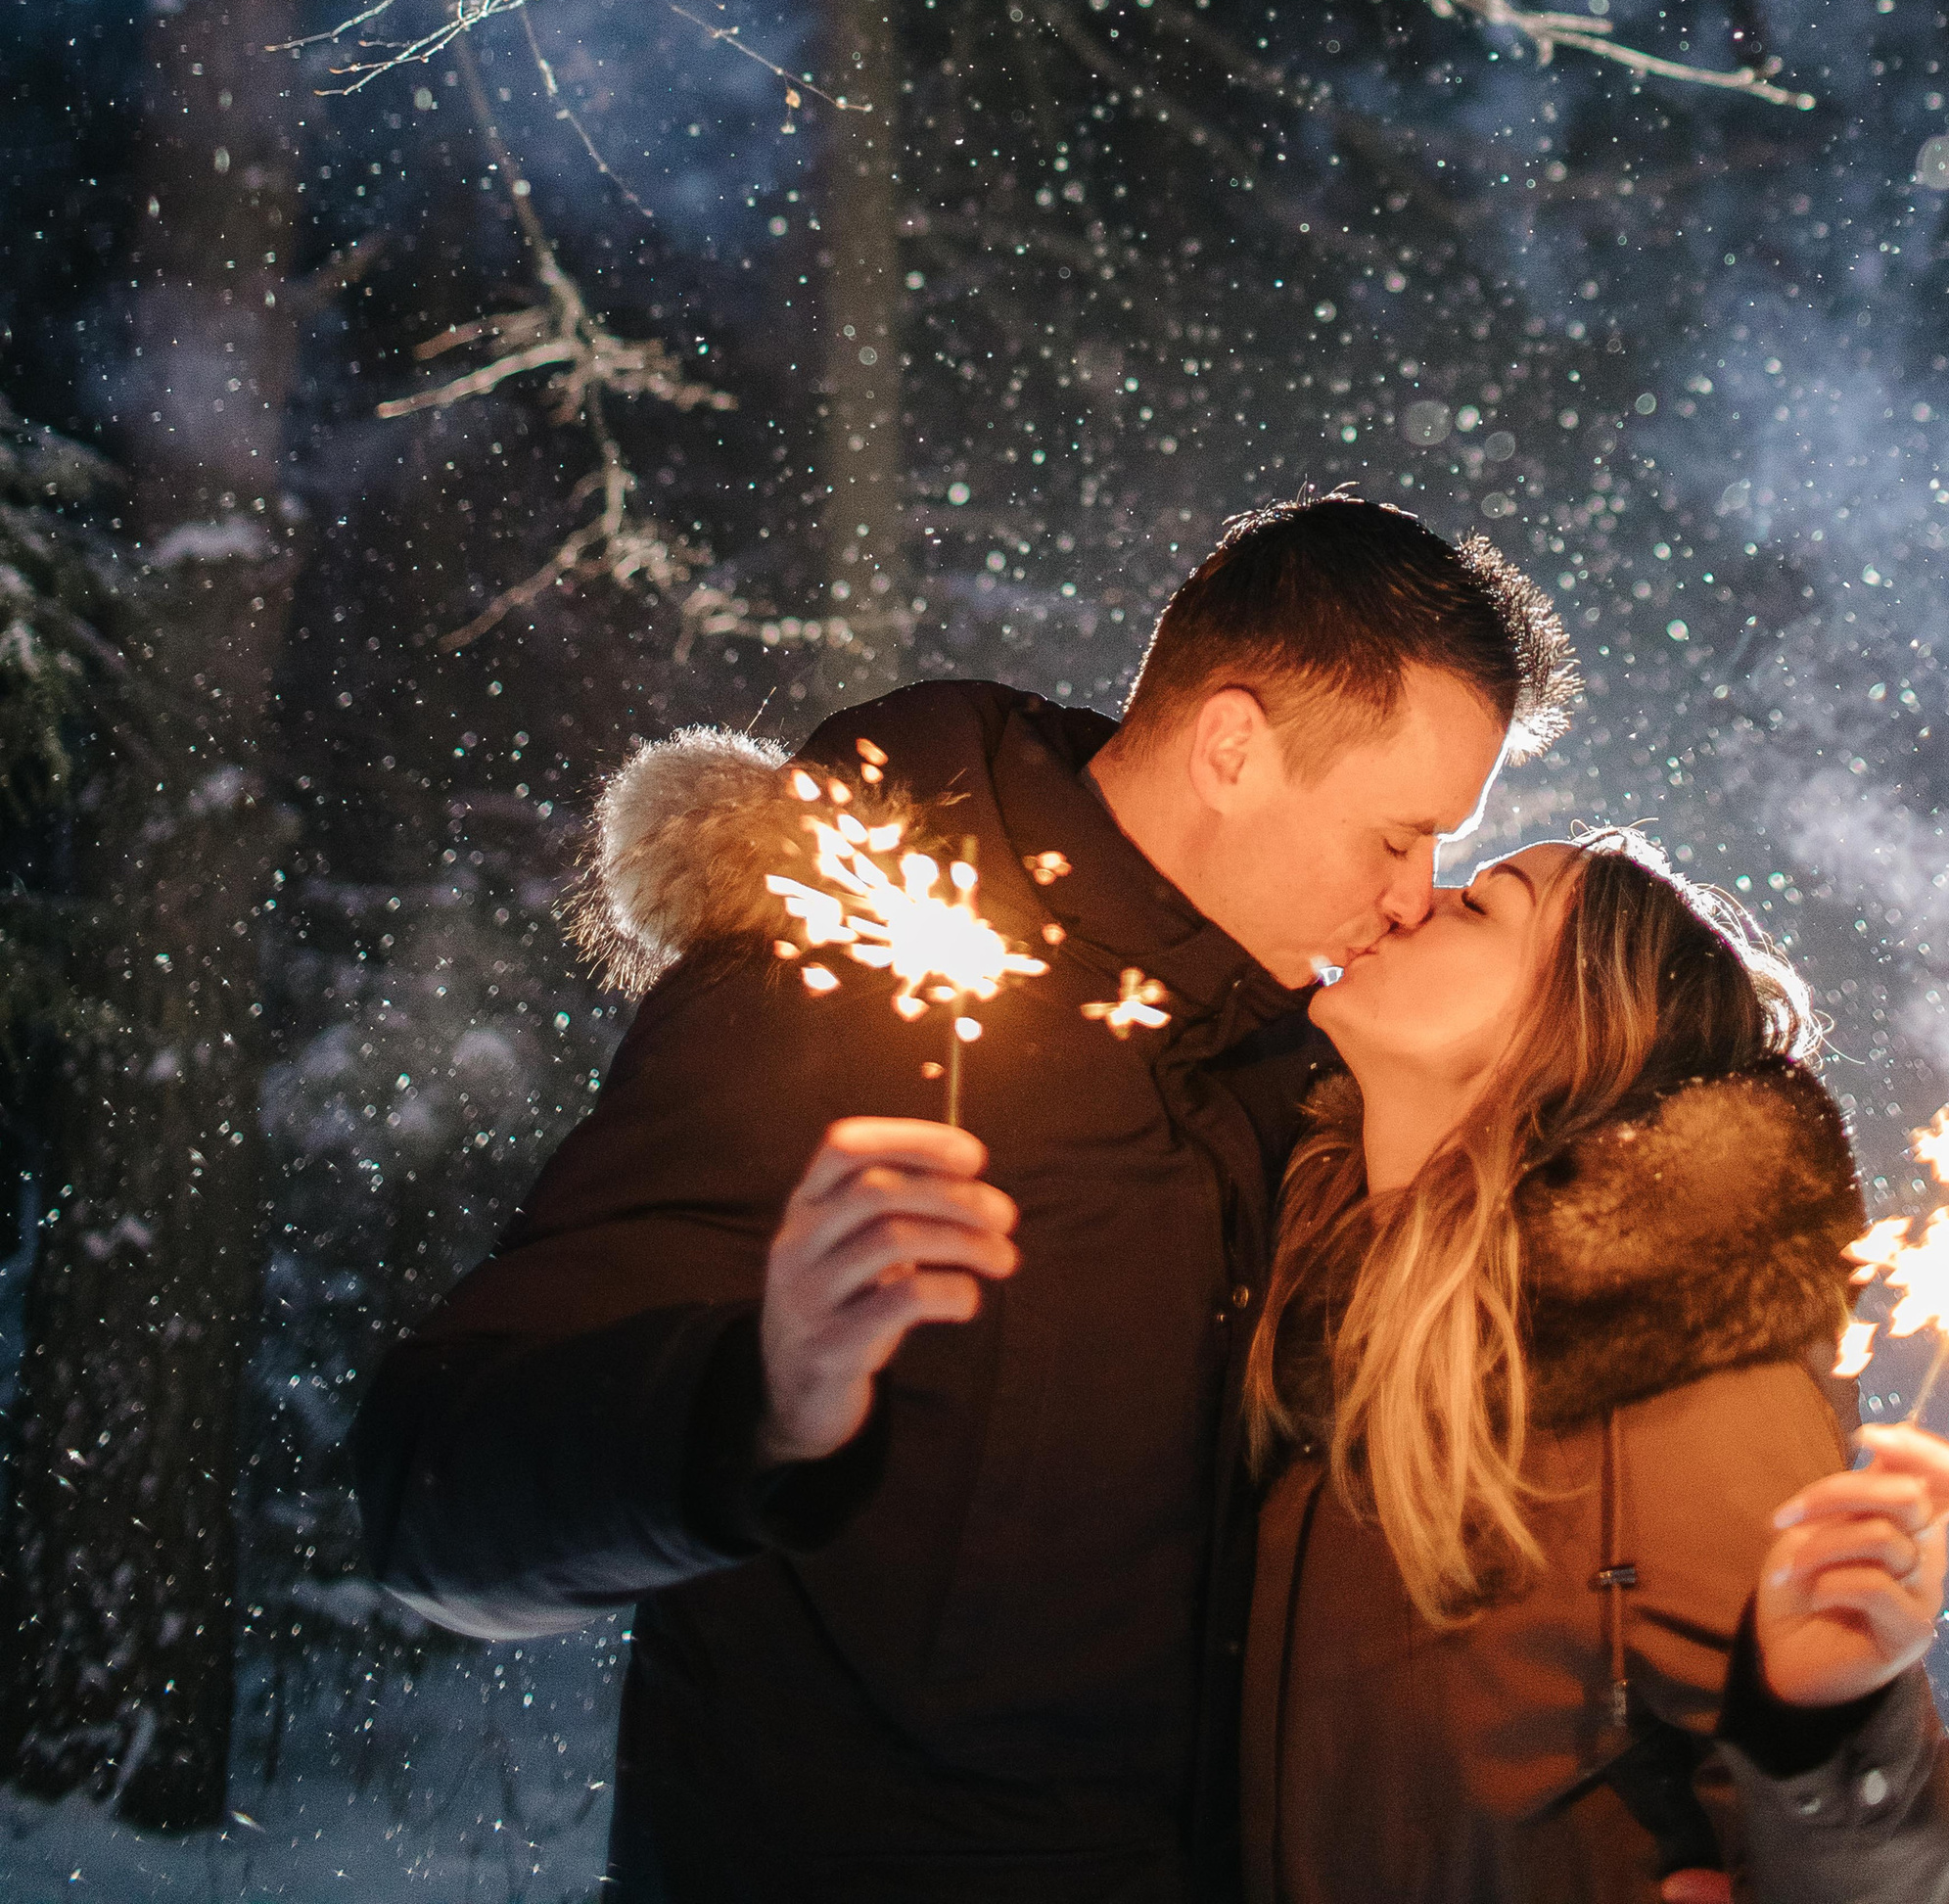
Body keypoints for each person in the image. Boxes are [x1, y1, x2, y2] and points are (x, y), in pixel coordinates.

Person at [354, 496, 1576, 1904]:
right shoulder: (835, 1002)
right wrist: (752, 1398)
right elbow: (427, 1502)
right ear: (1234, 748)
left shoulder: (1298, 1077)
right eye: (1396, 837)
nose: (1421, 895)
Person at [1240, 837, 1949, 1904]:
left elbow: (1927, 1885)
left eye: (1481, 906)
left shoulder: (1680, 1393)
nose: (1420, 898)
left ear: (1571, 1031)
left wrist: (1822, 1727)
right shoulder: (1294, 1287)